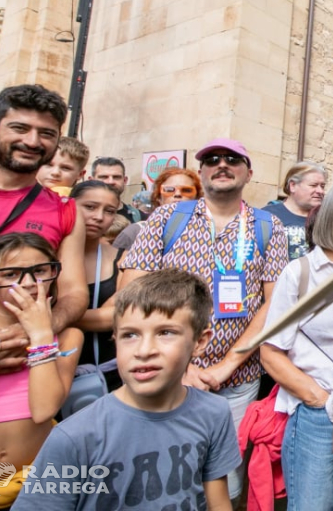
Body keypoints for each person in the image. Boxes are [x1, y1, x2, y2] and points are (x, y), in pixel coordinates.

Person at [120, 138, 287, 501]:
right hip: (165, 374)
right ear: (201, 172)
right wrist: (181, 367)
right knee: (162, 474)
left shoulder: (267, 226)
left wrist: (227, 365)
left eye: (232, 159)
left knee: (225, 479)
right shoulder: (169, 217)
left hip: (236, 380)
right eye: (212, 159)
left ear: (249, 173)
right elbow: (131, 291)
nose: (221, 164)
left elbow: (275, 303)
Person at [12, 269, 242, 511]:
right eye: (130, 335)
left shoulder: (214, 412)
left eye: (165, 333)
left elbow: (218, 503)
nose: (143, 351)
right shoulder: (75, 438)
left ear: (200, 342)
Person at [261, 181, 333, 511]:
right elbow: (270, 351)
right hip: (319, 415)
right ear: (330, 218)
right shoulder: (301, 273)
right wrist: (318, 399)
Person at [0, 84, 87, 361]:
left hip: (18, 369)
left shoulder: (65, 211)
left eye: (46, 133)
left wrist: (34, 331)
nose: (32, 142)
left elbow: (74, 293)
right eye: (19, 128)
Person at [0, 233, 81, 507]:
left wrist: (40, 334)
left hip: (36, 493)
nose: (28, 283)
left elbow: (43, 410)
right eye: (11, 274)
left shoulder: (68, 337)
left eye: (39, 271)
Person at [70, 180, 124, 391]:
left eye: (109, 211)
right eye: (90, 207)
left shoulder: (122, 259)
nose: (99, 217)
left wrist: (54, 317)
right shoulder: (43, 255)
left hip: (109, 374)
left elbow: (121, 314)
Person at [112, 167, 203, 252]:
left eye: (187, 190)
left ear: (197, 197)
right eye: (169, 190)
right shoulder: (135, 232)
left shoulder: (207, 231)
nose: (178, 194)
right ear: (158, 198)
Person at [264, 161, 327, 260]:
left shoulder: (326, 219)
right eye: (313, 185)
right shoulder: (267, 215)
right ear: (293, 186)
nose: (320, 191)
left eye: (322, 186)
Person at [90, 156, 142, 223]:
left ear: (125, 180)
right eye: (104, 177)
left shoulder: (139, 218)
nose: (110, 181)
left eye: (116, 177)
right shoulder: (77, 213)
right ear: (91, 180)